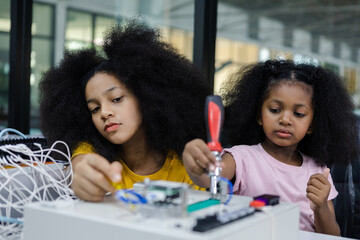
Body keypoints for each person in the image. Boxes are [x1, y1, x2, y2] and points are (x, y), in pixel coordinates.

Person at [39, 19, 211, 202]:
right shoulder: (93, 152)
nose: (104, 113)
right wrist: (79, 171)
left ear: (147, 97)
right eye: (94, 109)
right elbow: (82, 162)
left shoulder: (186, 166)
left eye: (116, 99)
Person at [182, 59, 359, 236]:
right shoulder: (242, 158)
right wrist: (197, 165)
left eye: (298, 114)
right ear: (259, 115)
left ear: (312, 125)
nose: (285, 120)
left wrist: (321, 208)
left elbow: (333, 236)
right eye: (275, 109)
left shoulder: (318, 171)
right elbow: (209, 177)